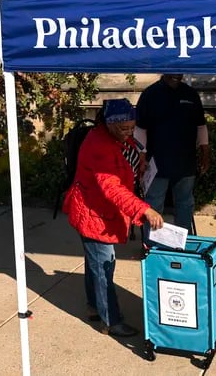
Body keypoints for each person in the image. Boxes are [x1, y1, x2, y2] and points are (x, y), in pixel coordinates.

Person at [63, 98, 164, 337]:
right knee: (104, 267)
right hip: (94, 215)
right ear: (108, 123)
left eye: (132, 127)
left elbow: (130, 142)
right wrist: (144, 210)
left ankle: (93, 306)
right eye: (123, 128)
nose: (128, 132)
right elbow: (112, 188)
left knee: (95, 263)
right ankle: (111, 320)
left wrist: (139, 153)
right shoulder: (99, 147)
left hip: (97, 211)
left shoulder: (113, 136)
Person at [136, 74, 209, 233]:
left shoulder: (191, 94)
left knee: (185, 204)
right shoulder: (150, 94)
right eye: (172, 72)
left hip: (186, 162)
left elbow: (201, 126)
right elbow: (140, 129)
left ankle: (183, 244)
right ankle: (151, 246)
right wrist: (141, 156)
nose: (176, 76)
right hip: (156, 163)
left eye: (179, 73)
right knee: (154, 205)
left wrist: (205, 153)